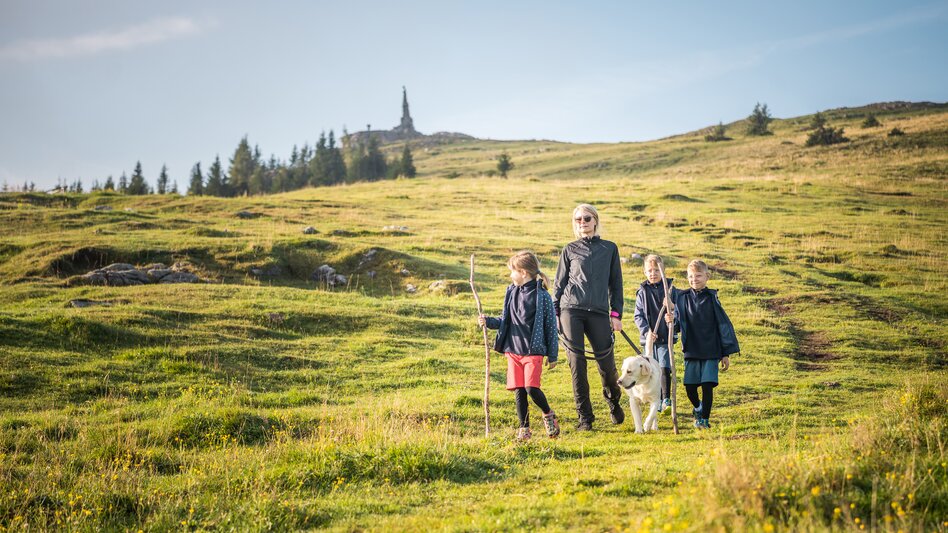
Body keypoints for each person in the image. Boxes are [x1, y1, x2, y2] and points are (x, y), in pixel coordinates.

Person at [553, 204, 625, 431]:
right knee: (577, 364)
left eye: (586, 218)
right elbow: (559, 284)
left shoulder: (610, 248)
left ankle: (613, 400)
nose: (582, 222)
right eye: (577, 219)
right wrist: (555, 313)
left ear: (595, 220)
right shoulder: (569, 249)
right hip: (570, 310)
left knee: (607, 364)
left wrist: (616, 314)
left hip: (599, 312)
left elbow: (616, 285)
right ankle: (585, 418)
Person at [479, 251, 561, 440]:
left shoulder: (543, 297)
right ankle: (524, 430)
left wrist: (553, 355)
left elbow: (551, 327)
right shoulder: (511, 291)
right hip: (513, 350)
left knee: (532, 388)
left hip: (533, 351)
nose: (510, 276)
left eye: (512, 271)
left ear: (523, 272)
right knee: (519, 391)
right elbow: (505, 320)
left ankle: (548, 414)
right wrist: (489, 321)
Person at [665, 260, 739, 429]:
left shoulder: (712, 298)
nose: (694, 279)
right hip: (691, 349)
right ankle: (698, 407)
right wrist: (670, 320)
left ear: (707, 276)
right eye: (691, 276)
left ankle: (704, 420)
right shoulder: (682, 298)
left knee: (707, 385)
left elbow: (722, 326)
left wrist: (725, 353)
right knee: (689, 387)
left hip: (711, 350)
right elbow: (677, 326)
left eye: (698, 275)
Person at [633, 254, 675, 412]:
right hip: (649, 340)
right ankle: (655, 398)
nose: (653, 273)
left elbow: (678, 312)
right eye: (649, 270)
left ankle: (666, 399)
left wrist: (671, 309)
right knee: (650, 369)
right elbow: (638, 315)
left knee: (664, 367)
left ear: (663, 271)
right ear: (644, 272)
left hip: (665, 338)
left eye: (657, 270)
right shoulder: (642, 292)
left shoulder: (670, 290)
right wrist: (647, 331)